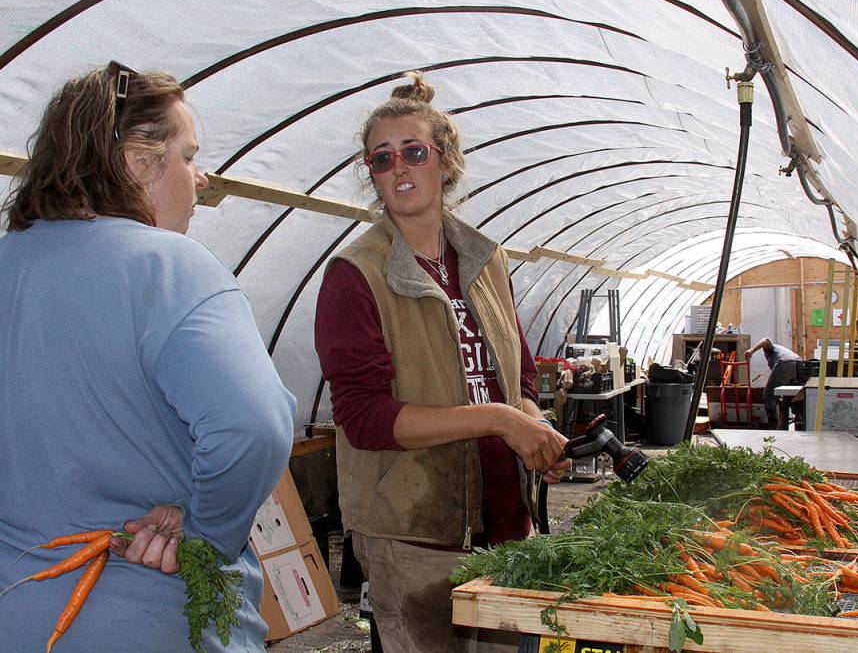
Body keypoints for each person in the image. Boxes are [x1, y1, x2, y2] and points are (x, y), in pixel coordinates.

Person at [0, 62, 295, 651]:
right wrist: (205, 533)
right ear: (138, 162)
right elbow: (253, 427)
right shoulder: (170, 269)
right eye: (188, 157)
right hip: (152, 616)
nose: (200, 178)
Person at [314, 72, 569, 652]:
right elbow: (365, 417)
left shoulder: (483, 257)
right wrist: (500, 419)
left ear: (446, 163)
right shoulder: (356, 274)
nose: (398, 168)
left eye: (414, 152)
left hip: (505, 521)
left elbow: (520, 374)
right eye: (382, 159)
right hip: (417, 535)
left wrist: (533, 433)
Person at [745, 337, 801, 429]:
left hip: (785, 363)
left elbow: (766, 340)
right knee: (792, 396)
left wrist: (752, 350)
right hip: (798, 364)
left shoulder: (771, 348)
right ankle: (798, 419)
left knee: (769, 394)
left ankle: (773, 425)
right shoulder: (781, 352)